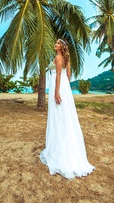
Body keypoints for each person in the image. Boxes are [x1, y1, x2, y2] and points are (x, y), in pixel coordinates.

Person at [40, 39, 95, 179]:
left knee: (58, 116)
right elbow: (67, 75)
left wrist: (57, 92)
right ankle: (64, 144)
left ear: (62, 47)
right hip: (65, 87)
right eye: (56, 43)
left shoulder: (58, 57)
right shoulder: (66, 59)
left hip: (57, 86)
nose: (56, 44)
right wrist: (65, 89)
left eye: (58, 43)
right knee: (65, 116)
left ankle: (59, 149)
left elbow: (58, 74)